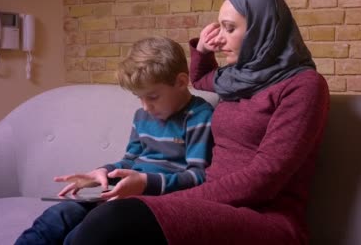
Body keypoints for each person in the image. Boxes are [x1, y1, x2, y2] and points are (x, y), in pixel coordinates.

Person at [68, 0, 331, 244]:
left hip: (263, 215)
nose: (221, 37)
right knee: (76, 218)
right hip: (209, 202)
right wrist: (204, 49)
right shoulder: (238, 78)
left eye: (229, 28)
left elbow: (265, 179)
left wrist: (160, 199)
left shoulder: (304, 86)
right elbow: (202, 79)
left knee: (115, 220)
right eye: (219, 27)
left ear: (262, 29)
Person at [14, 37, 214, 245]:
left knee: (81, 236)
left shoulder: (198, 116)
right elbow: (129, 160)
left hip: (154, 202)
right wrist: (103, 173)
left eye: (153, 97)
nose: (145, 107)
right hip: (123, 193)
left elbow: (198, 176)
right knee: (56, 217)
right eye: (139, 97)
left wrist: (145, 182)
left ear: (181, 82)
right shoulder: (142, 116)